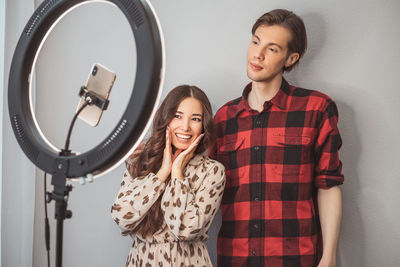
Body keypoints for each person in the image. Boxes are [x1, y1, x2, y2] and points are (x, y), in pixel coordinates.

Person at [211, 9, 344, 267]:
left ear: (290, 58)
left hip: (296, 259)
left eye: (272, 49)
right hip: (235, 259)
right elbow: (204, 187)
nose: (257, 55)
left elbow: (328, 186)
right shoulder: (223, 118)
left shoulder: (316, 109)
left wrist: (329, 257)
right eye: (255, 41)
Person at [111, 85, 225, 267]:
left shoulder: (212, 171)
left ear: (204, 125)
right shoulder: (140, 162)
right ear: (165, 119)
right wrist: (162, 174)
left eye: (195, 119)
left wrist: (177, 174)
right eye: (177, 116)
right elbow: (122, 218)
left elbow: (186, 230)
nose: (185, 127)